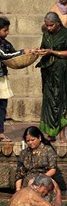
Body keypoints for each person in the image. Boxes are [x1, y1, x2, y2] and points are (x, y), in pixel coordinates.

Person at [0, 17, 33, 145]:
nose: (7, 32)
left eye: (8, 30)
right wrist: (22, 51)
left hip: (2, 78)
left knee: (2, 108)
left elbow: (14, 53)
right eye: (5, 30)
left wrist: (30, 52)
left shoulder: (5, 42)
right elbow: (4, 55)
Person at [37, 12, 67, 143]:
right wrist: (38, 51)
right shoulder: (46, 34)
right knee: (49, 100)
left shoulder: (65, 34)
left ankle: (62, 132)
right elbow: (43, 47)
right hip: (48, 72)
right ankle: (50, 133)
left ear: (58, 23)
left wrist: (53, 52)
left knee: (61, 99)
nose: (48, 28)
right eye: (47, 25)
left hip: (61, 71)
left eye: (51, 25)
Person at [15, 126, 57, 192]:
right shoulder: (24, 153)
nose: (30, 143)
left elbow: (53, 170)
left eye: (32, 140)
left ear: (39, 138)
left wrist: (37, 180)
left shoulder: (48, 150)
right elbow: (19, 173)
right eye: (28, 141)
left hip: (44, 180)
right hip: (27, 182)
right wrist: (18, 189)